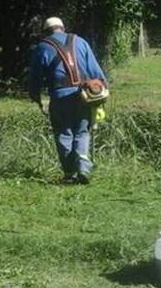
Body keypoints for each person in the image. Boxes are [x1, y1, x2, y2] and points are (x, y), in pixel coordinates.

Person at [29, 17, 107, 184]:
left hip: (59, 97)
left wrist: (36, 97)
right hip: (83, 96)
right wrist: (102, 89)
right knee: (82, 131)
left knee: (64, 133)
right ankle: (83, 167)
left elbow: (34, 78)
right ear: (62, 28)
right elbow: (95, 71)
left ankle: (70, 174)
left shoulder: (42, 47)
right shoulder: (79, 41)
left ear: (46, 31)